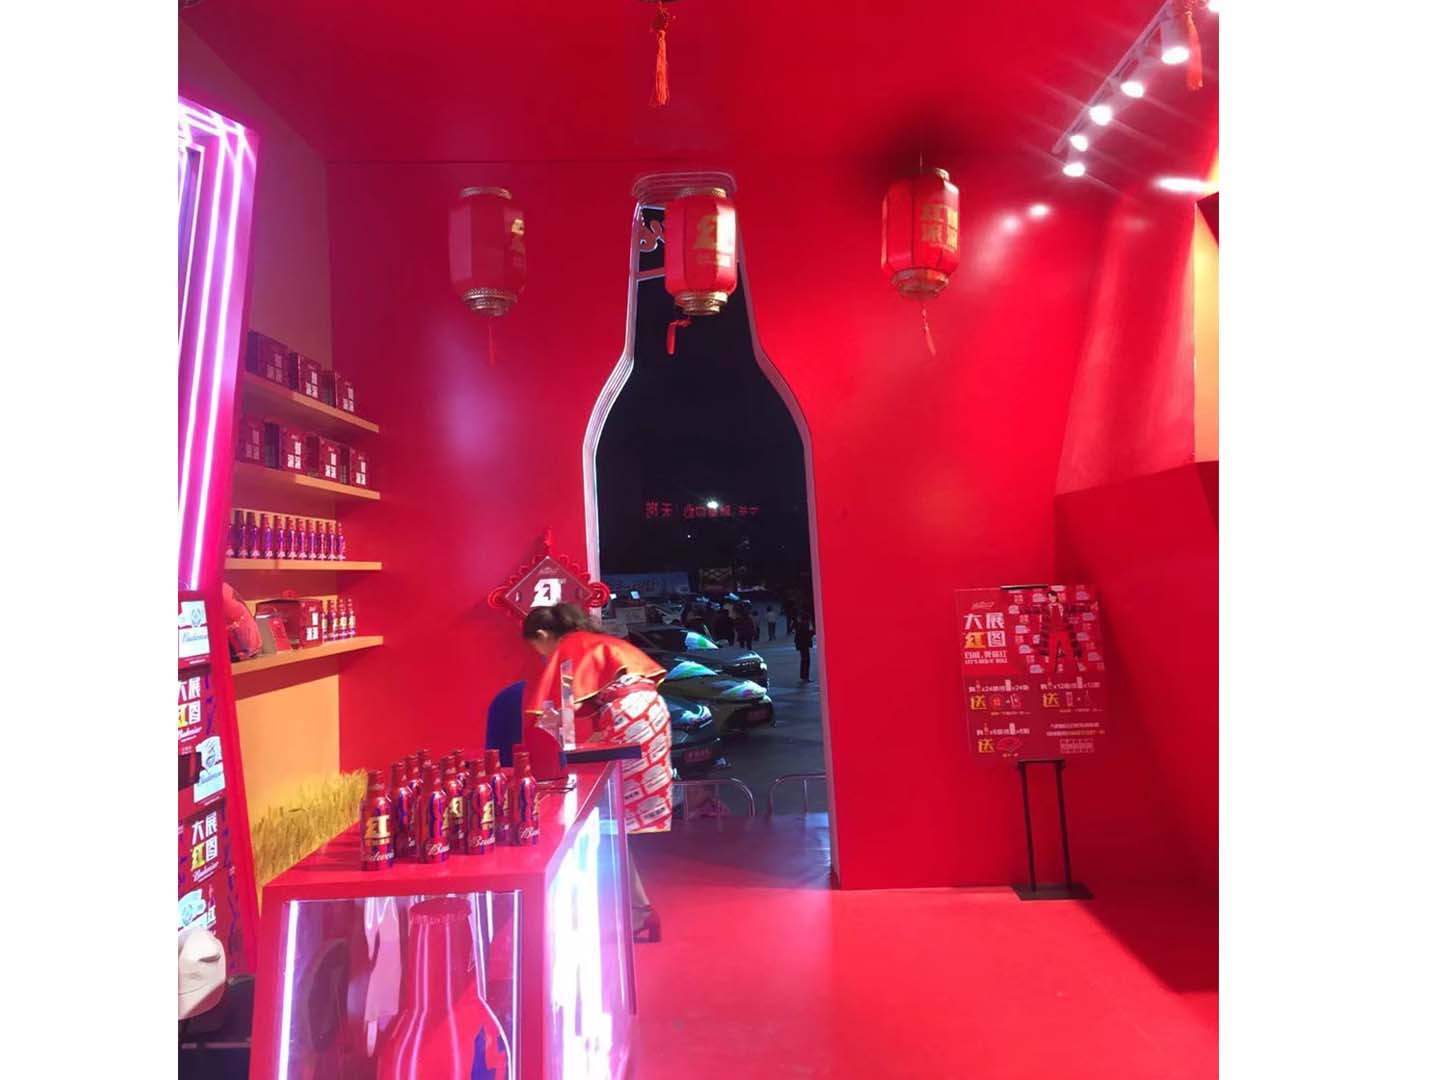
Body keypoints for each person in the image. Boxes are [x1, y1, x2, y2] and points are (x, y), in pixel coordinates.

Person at [521, 603, 670, 942]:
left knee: (606, 818)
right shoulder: (597, 641)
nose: (541, 655)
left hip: (626, 715)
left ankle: (636, 909)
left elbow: (559, 708)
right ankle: (638, 909)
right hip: (649, 712)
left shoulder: (569, 647)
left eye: (536, 647)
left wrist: (550, 745)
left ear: (543, 635)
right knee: (614, 820)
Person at [794, 612, 815, 682]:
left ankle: (803, 676)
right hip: (804, 644)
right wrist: (812, 630)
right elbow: (809, 633)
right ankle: (806, 677)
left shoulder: (800, 624)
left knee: (804, 660)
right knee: (806, 660)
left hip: (801, 644)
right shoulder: (806, 624)